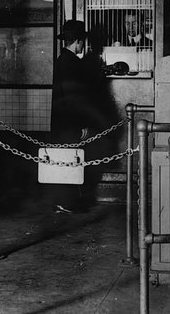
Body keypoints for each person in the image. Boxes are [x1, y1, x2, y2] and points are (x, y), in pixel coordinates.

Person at [49, 19, 106, 214]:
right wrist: (81, 124)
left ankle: (63, 201)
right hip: (70, 122)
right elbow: (75, 98)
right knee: (71, 159)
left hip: (61, 121)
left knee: (64, 159)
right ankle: (68, 202)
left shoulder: (62, 60)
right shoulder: (72, 63)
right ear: (78, 42)